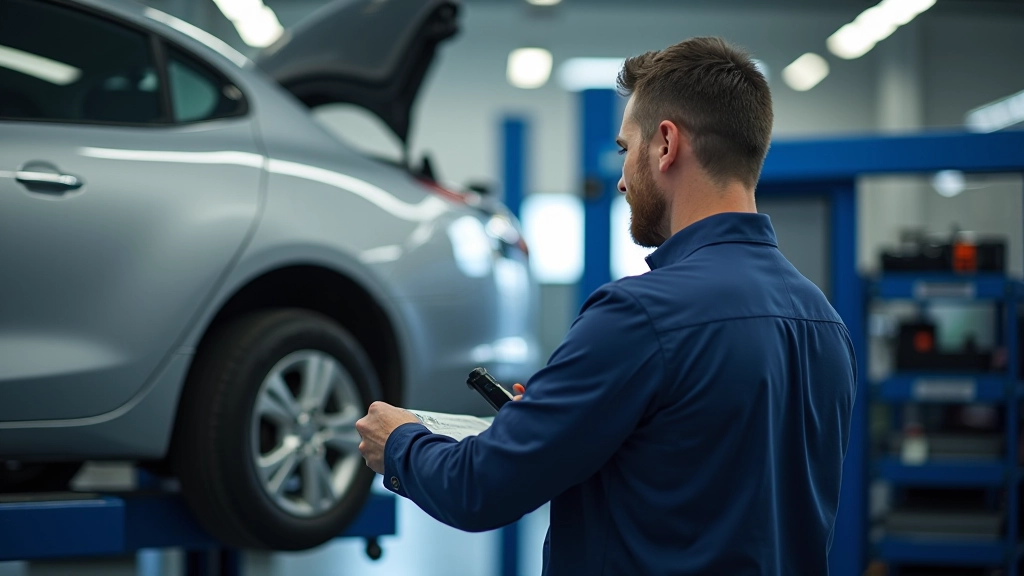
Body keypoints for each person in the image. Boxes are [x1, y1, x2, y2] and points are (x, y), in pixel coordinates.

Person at [356, 36, 856, 575]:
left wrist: (400, 443)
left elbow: (481, 488)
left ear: (666, 144)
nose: (620, 178)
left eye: (625, 149)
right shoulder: (825, 324)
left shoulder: (641, 316)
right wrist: (555, 420)